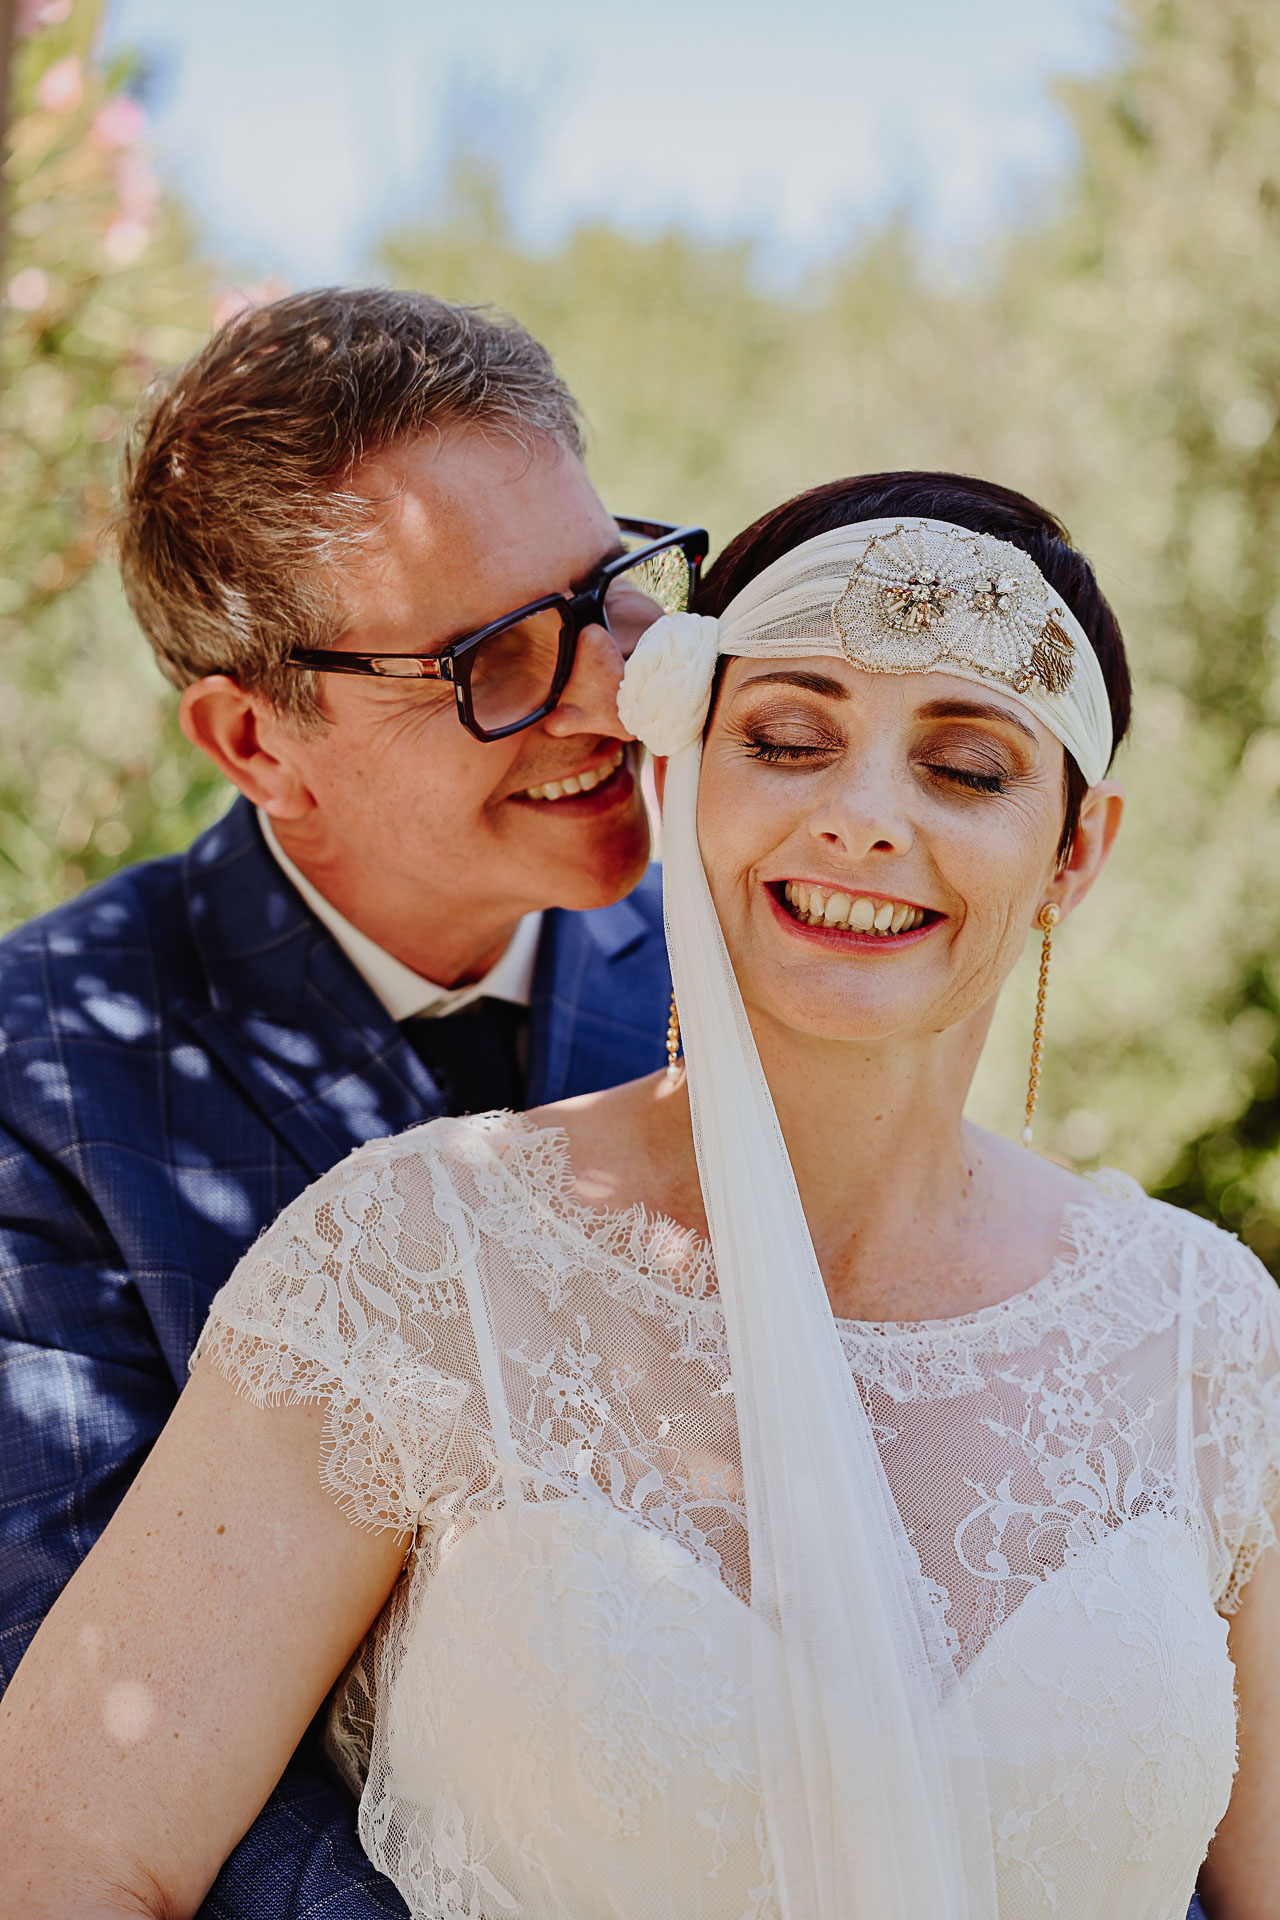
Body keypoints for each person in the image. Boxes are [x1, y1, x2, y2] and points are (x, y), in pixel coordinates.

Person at [4, 471, 1272, 1920]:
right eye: (787, 740)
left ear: (1076, 853)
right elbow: (60, 1859)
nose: (862, 817)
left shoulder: (1206, 1335)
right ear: (679, 775)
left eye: (969, 768)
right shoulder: (410, 1261)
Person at [0, 288, 699, 1915]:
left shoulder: (743, 967)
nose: (605, 695)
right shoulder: (42, 1075)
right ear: (256, 742)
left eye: (601, 595)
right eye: (487, 659)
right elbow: (71, 1733)